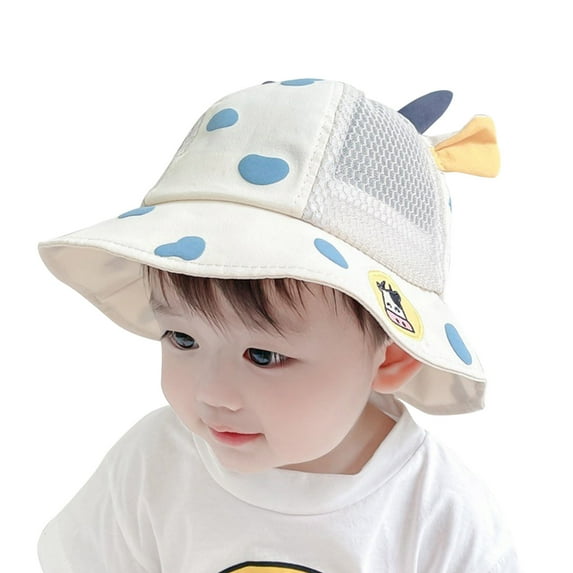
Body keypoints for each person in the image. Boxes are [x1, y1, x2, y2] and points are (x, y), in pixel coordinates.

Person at [37, 78, 519, 572]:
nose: (213, 393)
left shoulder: (439, 512)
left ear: (392, 353)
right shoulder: (154, 463)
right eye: (182, 338)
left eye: (264, 356)